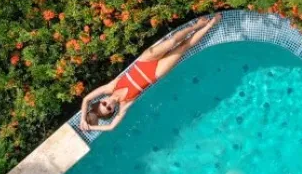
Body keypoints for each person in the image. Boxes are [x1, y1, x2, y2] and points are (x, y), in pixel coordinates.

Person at [79, 14, 222, 131]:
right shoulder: (124, 105)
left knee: (172, 42)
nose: (108, 104)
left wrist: (83, 120)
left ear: (101, 100)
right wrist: (93, 126)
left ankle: (197, 25)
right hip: (155, 74)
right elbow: (111, 127)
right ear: (112, 111)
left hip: (145, 62)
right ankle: (210, 25)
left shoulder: (110, 87)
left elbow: (86, 99)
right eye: (109, 108)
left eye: (104, 104)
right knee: (184, 47)